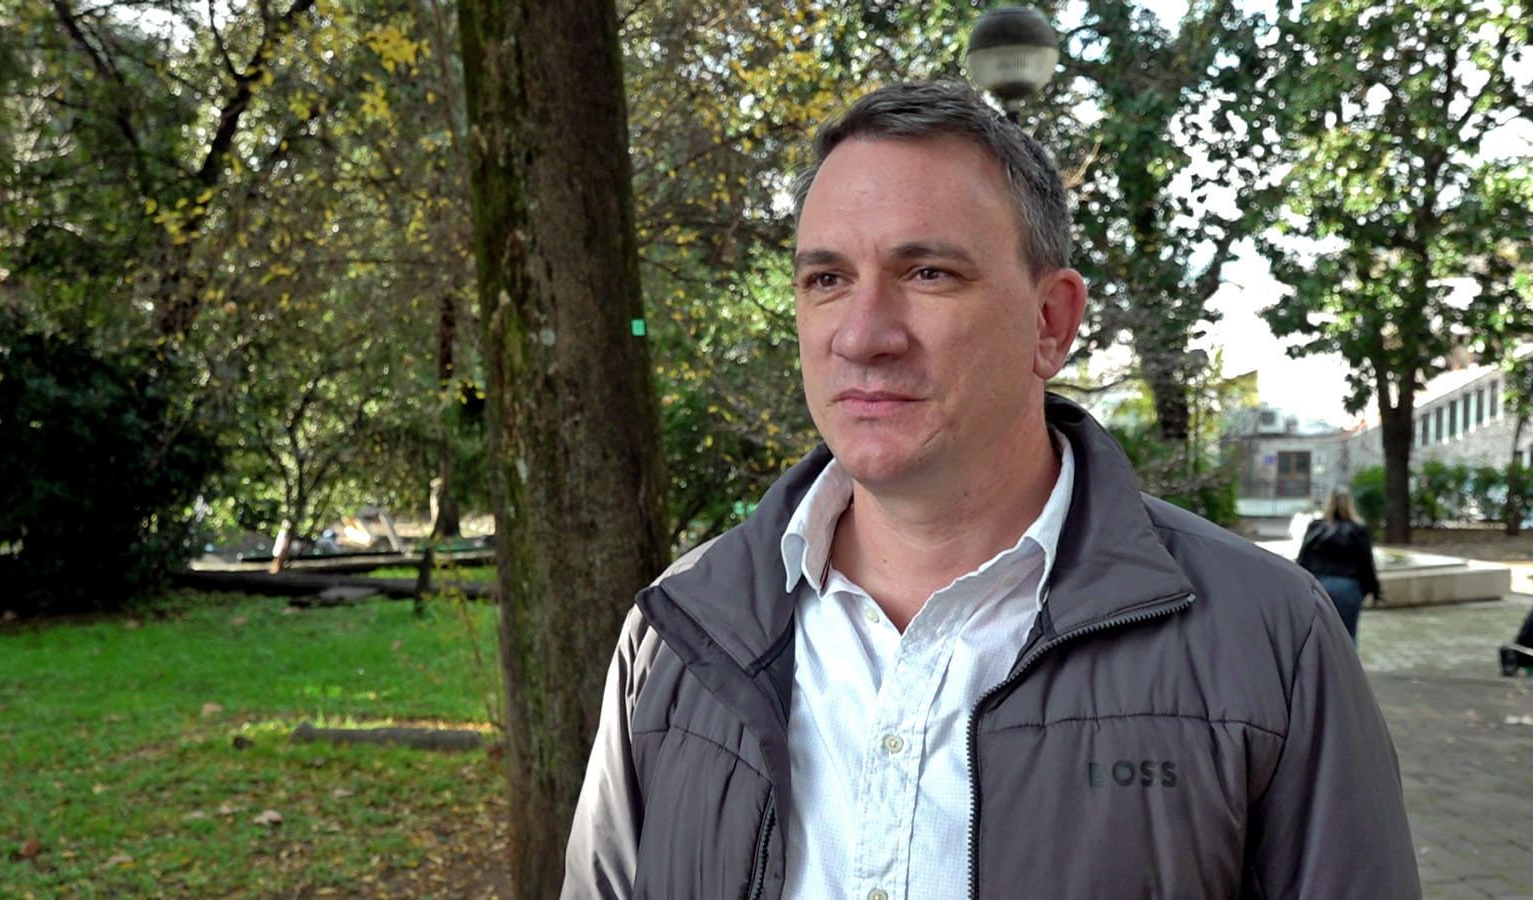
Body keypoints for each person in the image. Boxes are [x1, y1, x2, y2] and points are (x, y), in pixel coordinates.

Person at [563, 80, 1418, 899]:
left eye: (928, 273)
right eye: (826, 279)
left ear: (1051, 322)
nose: (861, 336)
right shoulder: (676, 634)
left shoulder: (1270, 641)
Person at [1295, 487, 1382, 644]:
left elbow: (1303, 559)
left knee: (1319, 636)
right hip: (1348, 586)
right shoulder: (1359, 529)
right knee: (1348, 636)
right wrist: (1373, 589)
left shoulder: (1316, 527)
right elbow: (1366, 562)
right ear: (1350, 503)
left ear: (1329, 502)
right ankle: (1347, 661)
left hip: (1320, 585)